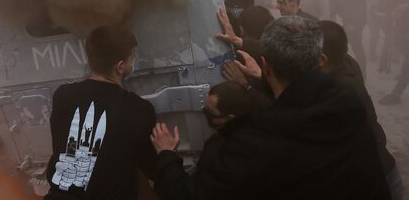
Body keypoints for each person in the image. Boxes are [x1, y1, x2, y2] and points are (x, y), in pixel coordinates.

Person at [151, 16, 391, 200]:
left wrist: (166, 156)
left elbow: (190, 195)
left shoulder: (256, 141)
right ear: (319, 58)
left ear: (265, 65)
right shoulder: (347, 100)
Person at [45, 26, 156, 200]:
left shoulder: (63, 95)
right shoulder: (139, 109)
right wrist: (168, 155)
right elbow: (151, 166)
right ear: (120, 67)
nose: (132, 63)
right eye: (131, 59)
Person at [319, 20, 403, 200]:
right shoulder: (346, 62)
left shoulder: (342, 92)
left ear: (322, 58)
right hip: (382, 173)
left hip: (378, 182)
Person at [322, 0, 368, 75]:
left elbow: (361, 6)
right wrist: (330, 12)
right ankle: (344, 72)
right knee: (343, 46)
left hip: (357, 21)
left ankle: (362, 73)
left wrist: (354, 24)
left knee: (357, 46)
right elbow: (340, 2)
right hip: (347, 20)